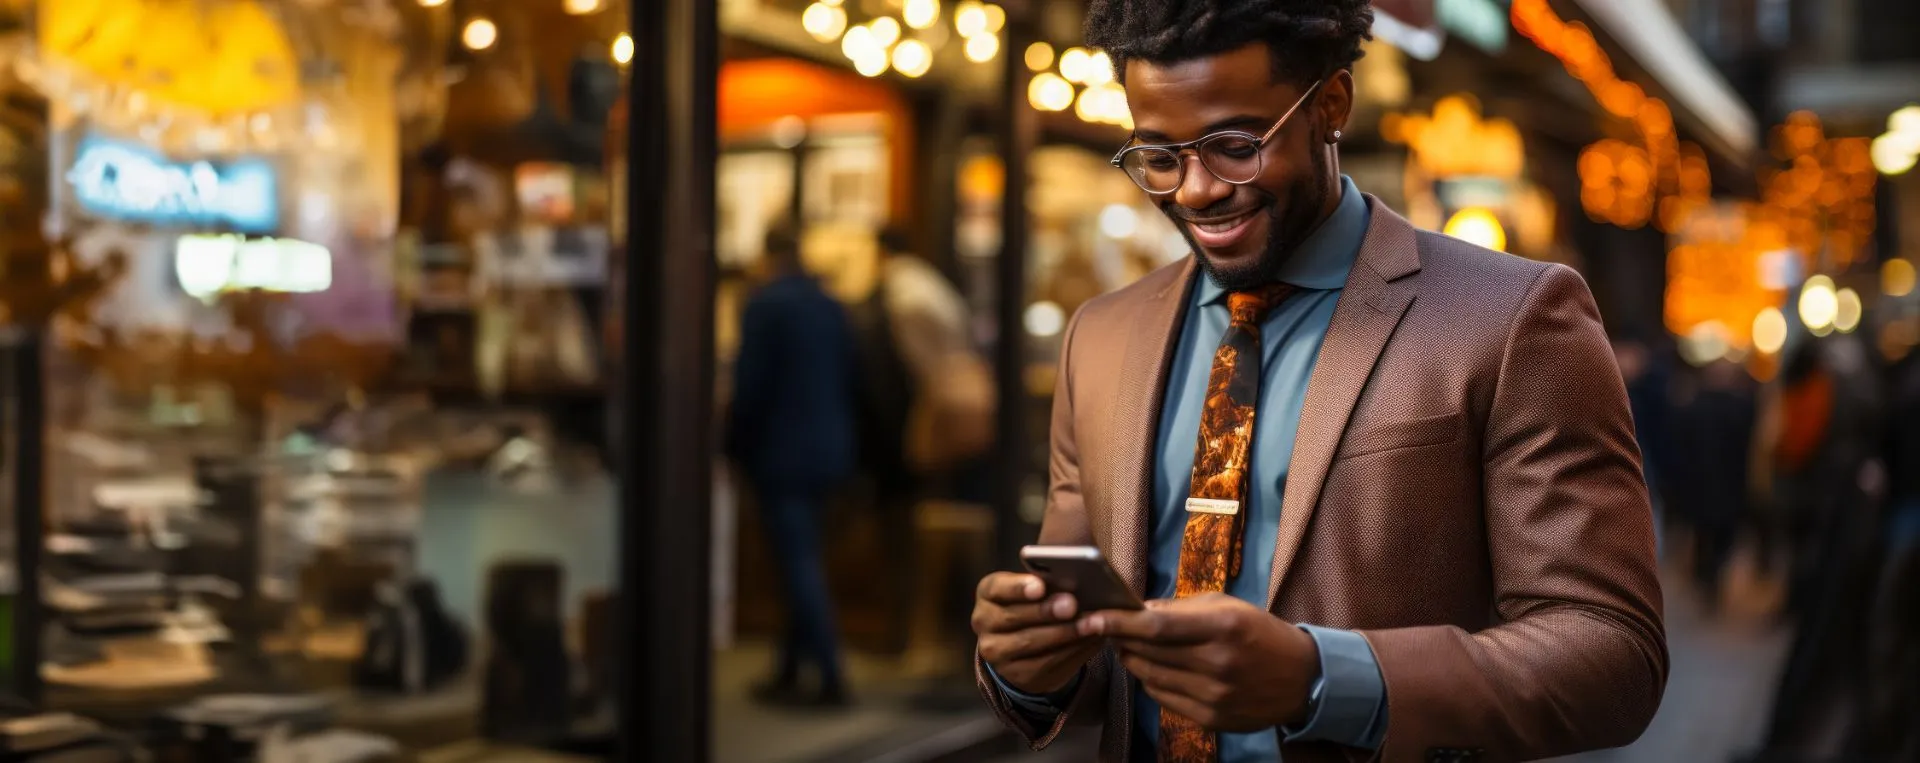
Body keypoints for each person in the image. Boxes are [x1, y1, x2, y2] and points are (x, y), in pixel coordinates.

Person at [967, 2, 1668, 761]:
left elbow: (1612, 652)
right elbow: (1107, 650)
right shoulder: (1099, 340)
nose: (1196, 190)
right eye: (1159, 156)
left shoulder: (1514, 317)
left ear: (1332, 105)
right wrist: (1031, 669)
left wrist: (1320, 678)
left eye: (1235, 146)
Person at [725, 224, 860, 707]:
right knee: (801, 558)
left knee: (796, 561)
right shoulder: (830, 305)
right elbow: (852, 378)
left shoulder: (765, 305)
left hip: (781, 451)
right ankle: (788, 669)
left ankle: (829, 672)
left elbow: (749, 387)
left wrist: (734, 446)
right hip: (831, 448)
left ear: (768, 256)